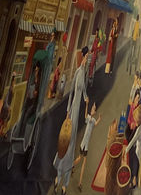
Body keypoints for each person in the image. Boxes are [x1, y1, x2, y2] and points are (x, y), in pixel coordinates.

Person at [53, 45, 89, 195]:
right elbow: (72, 92)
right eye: (86, 57)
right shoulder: (78, 72)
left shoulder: (84, 72)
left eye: (88, 57)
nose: (87, 59)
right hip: (73, 108)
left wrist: (86, 97)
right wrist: (68, 111)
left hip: (78, 108)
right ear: (83, 57)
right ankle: (61, 180)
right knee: (68, 142)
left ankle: (62, 182)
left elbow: (83, 89)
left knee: (71, 143)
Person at [73, 100, 101, 191]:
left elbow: (95, 124)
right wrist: (87, 105)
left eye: (93, 109)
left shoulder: (93, 120)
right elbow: (85, 116)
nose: (92, 110)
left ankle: (79, 182)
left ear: (95, 111)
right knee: (80, 159)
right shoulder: (89, 118)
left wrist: (99, 119)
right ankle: (71, 167)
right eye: (92, 108)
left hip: (86, 146)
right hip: (83, 144)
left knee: (82, 161)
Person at [123, 104, 141, 189]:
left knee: (134, 163)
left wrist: (126, 150)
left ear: (138, 119)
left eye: (135, 118)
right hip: (136, 148)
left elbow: (133, 140)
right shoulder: (139, 126)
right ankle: (133, 179)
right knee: (132, 162)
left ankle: (134, 181)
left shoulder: (139, 129)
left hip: (137, 151)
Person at [0, 72, 16, 137]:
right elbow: (5, 101)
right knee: (5, 119)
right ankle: (1, 132)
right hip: (5, 109)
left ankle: (2, 132)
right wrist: (8, 107)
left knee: (6, 119)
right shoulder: (9, 92)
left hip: (6, 109)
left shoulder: (11, 92)